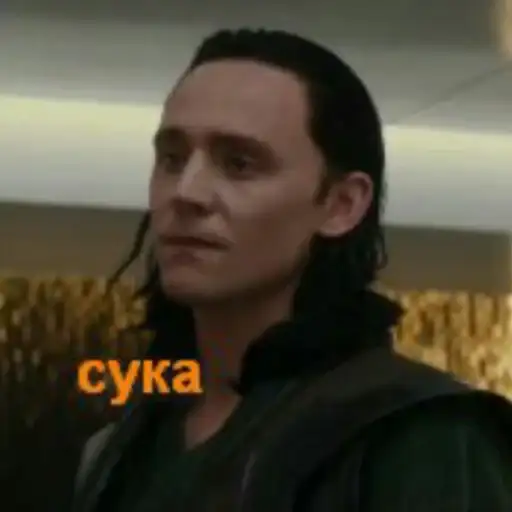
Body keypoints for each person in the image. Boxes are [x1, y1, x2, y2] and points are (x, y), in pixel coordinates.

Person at [72, 29, 512, 512]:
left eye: (239, 164)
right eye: (172, 159)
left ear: (342, 205)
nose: (187, 192)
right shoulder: (125, 444)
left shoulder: (418, 434)